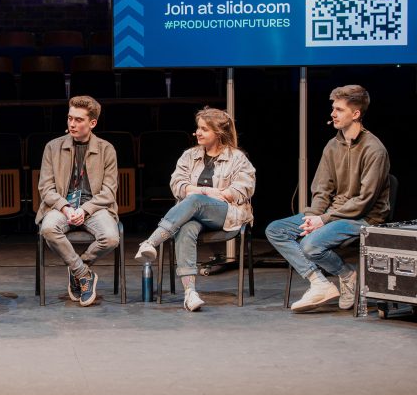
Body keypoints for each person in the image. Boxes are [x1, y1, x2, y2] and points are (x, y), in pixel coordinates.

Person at [266, 85, 390, 313]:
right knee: (276, 229)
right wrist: (313, 217)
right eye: (333, 108)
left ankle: (347, 274)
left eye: (339, 109)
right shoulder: (332, 146)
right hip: (333, 213)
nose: (333, 114)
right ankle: (319, 283)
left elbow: (365, 200)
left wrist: (323, 220)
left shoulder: (374, 149)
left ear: (356, 114)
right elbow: (322, 189)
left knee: (310, 245)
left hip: (363, 217)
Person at [134, 107, 256, 311]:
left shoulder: (237, 158)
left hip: (226, 214)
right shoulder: (189, 156)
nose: (197, 133)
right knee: (186, 228)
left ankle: (151, 242)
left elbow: (242, 189)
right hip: (194, 215)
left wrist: (203, 194)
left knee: (195, 199)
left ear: (218, 133)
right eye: (198, 128)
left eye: (204, 129)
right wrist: (204, 191)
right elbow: (177, 184)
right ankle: (190, 293)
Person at [36, 95, 119, 307]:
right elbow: (45, 188)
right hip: (61, 206)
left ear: (92, 123)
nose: (72, 124)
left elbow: (109, 191)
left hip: (95, 207)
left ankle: (77, 268)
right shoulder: (53, 147)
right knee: (48, 229)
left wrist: (85, 210)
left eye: (79, 120)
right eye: (70, 118)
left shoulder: (106, 149)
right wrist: (65, 207)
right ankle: (83, 273)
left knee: (111, 238)